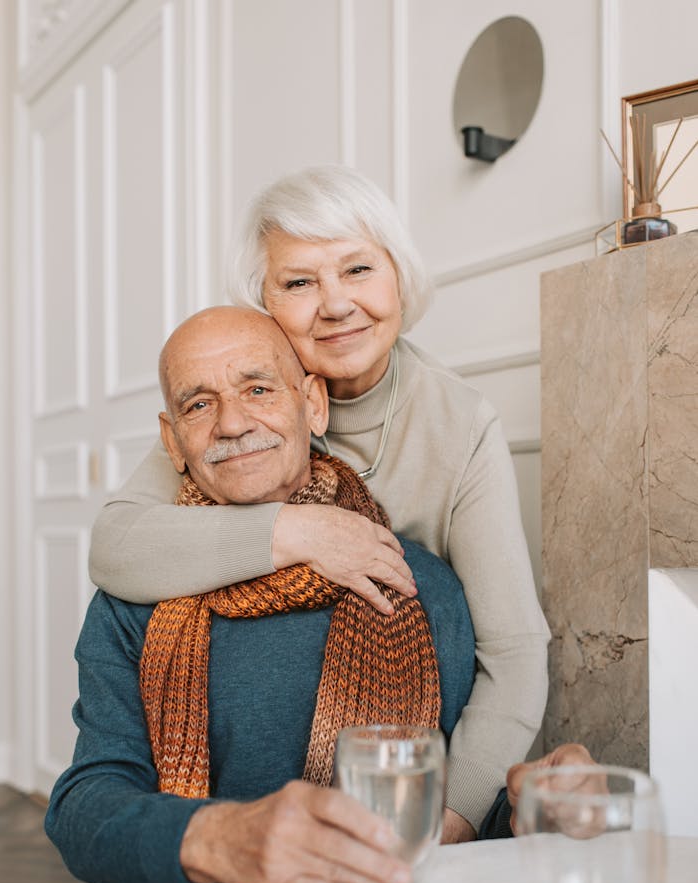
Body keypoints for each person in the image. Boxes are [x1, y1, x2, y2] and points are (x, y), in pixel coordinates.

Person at [46, 305, 513, 883]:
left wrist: (526, 808)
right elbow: (85, 811)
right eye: (199, 404)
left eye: (258, 388)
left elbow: (445, 812)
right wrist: (224, 839)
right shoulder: (131, 601)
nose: (232, 423)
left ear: (313, 404)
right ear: (172, 442)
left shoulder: (418, 586)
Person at [88, 164, 551, 846]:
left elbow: (512, 651)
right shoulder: (231, 419)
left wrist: (444, 825)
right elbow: (116, 544)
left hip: (401, 722)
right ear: (264, 304)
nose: (335, 305)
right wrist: (295, 529)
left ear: (399, 277)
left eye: (358, 269)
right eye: (299, 282)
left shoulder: (459, 422)